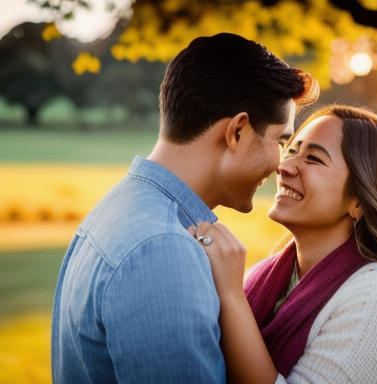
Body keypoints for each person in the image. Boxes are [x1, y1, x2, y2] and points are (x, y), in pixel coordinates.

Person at [51, 32, 319, 384]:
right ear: (237, 131)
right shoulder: (163, 248)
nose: (280, 165)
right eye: (281, 141)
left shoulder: (120, 207)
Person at [193, 104, 377, 384]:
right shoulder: (267, 276)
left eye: (314, 159)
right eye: (292, 151)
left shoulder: (376, 296)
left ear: (360, 200)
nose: (283, 167)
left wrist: (231, 295)